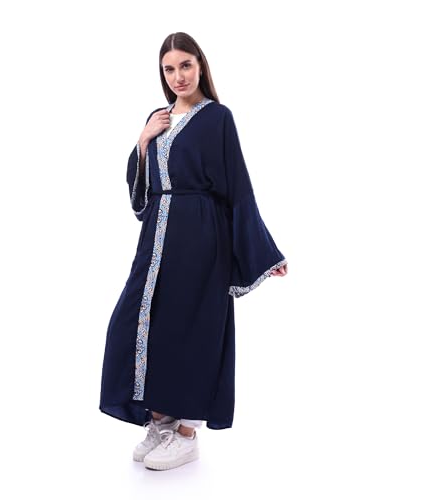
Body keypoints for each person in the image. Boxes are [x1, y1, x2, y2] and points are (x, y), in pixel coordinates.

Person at [99, 32, 288, 471]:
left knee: (193, 327)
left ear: (200, 65)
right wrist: (143, 141)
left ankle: (186, 433)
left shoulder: (218, 118)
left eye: (185, 65)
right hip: (157, 237)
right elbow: (142, 193)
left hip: (202, 236)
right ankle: (161, 420)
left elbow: (238, 185)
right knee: (140, 321)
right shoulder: (158, 117)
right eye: (169, 69)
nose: (178, 76)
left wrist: (262, 249)